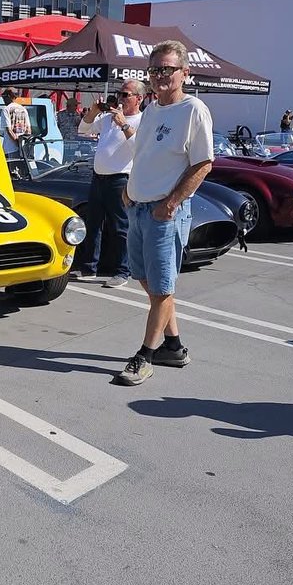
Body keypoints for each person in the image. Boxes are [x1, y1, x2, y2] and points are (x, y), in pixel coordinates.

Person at [115, 40, 214, 386]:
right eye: (154, 70)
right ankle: (173, 345)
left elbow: (203, 164)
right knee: (149, 282)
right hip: (139, 209)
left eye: (167, 69)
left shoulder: (193, 110)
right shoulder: (153, 109)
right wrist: (129, 191)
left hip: (163, 214)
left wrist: (170, 204)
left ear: (184, 73)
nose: (159, 76)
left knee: (160, 288)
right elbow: (142, 155)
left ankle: (144, 355)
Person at [72, 80, 144, 286]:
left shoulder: (142, 120)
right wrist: (94, 112)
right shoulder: (106, 119)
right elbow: (83, 129)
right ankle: (88, 268)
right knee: (94, 224)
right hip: (99, 177)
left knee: (121, 227)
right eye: (119, 94)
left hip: (120, 179)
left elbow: (138, 149)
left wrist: (123, 124)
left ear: (139, 98)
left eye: (125, 94)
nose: (120, 98)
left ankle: (123, 271)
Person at [0, 88, 31, 156]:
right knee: (22, 166)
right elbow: (28, 129)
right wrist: (23, 144)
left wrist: (17, 143)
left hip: (10, 148)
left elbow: (9, 130)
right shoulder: (23, 109)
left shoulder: (6, 109)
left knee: (10, 166)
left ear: (9, 96)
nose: (3, 99)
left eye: (4, 97)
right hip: (23, 148)